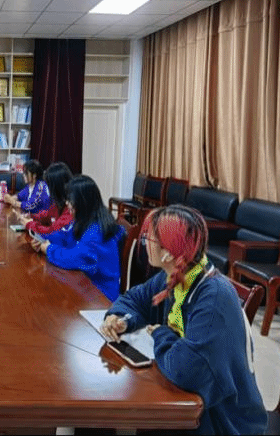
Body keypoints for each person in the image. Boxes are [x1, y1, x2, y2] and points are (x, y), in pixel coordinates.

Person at [99, 205, 266, 435]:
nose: (144, 243)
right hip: (191, 405)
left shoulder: (213, 297)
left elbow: (187, 371)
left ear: (168, 253)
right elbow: (134, 299)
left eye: (149, 238)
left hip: (222, 421)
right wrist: (121, 318)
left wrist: (161, 334)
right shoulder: (176, 276)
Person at [29, 175, 122, 300]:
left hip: (101, 296)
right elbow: (64, 236)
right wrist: (43, 240)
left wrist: (49, 249)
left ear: (82, 203)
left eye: (70, 200)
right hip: (85, 285)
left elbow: (76, 258)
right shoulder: (84, 220)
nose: (67, 204)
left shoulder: (96, 231)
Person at [16, 161, 71, 234]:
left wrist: (29, 224)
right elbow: (48, 215)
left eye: (49, 185)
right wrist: (32, 216)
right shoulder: (58, 201)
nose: (48, 189)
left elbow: (52, 231)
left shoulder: (70, 208)